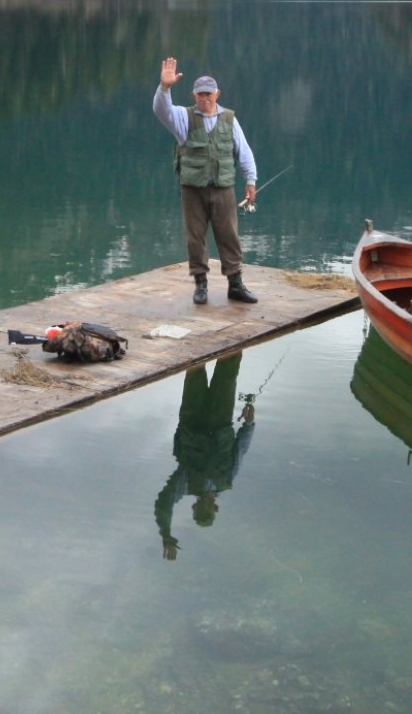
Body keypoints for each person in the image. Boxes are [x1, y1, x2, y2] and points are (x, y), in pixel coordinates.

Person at [153, 57, 258, 305]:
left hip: (223, 189)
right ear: (194, 95)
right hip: (193, 190)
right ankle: (201, 285)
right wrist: (164, 88)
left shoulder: (230, 119)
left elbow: (244, 151)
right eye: (200, 94)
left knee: (229, 236)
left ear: (217, 94)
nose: (204, 98)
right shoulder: (182, 117)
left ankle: (235, 284)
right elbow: (161, 110)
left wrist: (251, 180)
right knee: (195, 238)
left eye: (208, 94)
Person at [154, 353, 255, 560]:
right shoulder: (226, 480)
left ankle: (197, 341)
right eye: (207, 514)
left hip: (192, 419)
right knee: (228, 369)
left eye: (199, 513)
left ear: (193, 507)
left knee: (194, 368)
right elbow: (240, 450)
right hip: (221, 420)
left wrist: (166, 533)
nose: (204, 509)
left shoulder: (186, 484)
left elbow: (164, 501)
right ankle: (235, 335)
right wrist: (249, 424)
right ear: (216, 509)